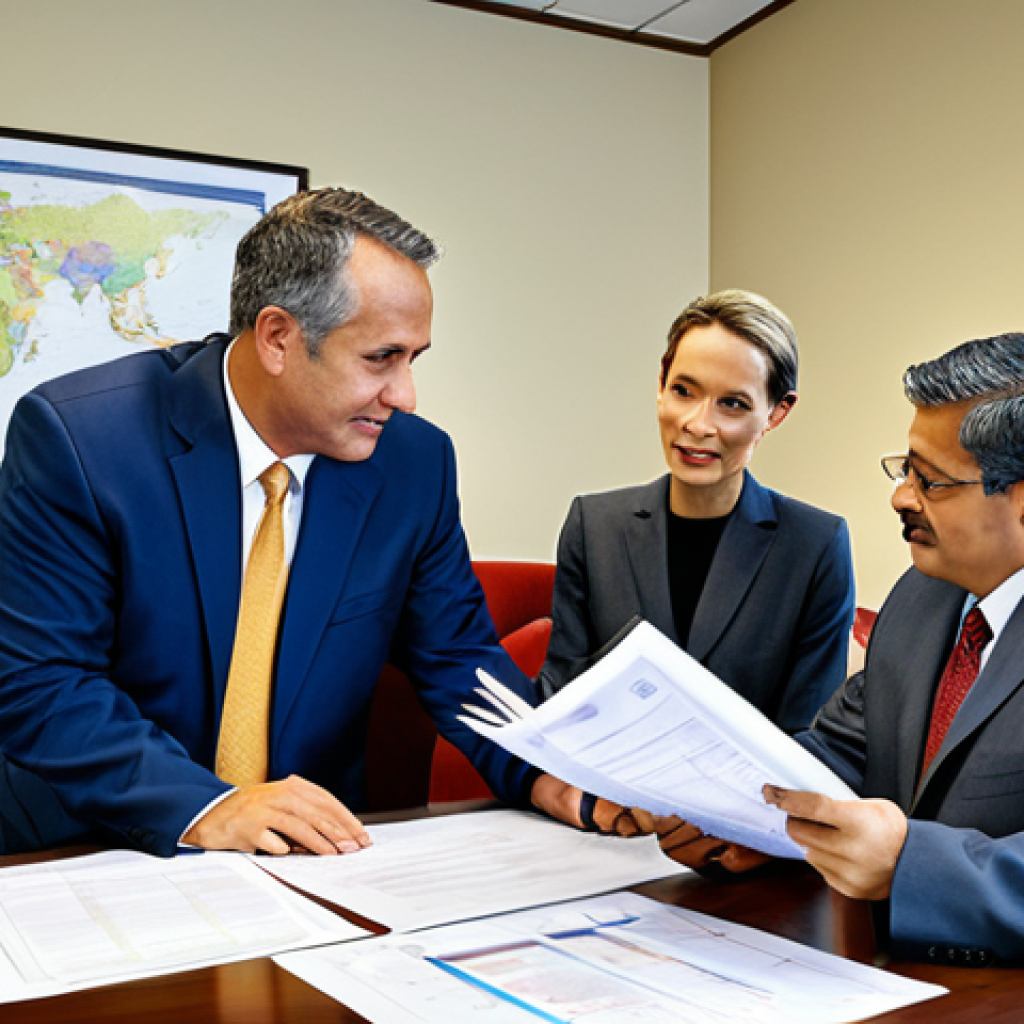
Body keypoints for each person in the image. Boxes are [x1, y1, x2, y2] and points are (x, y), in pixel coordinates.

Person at [0, 187, 586, 858]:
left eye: (413, 359)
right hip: (85, 847)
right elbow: (42, 681)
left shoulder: (414, 465)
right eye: (380, 358)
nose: (405, 396)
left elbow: (457, 659)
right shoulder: (81, 441)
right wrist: (208, 806)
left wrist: (550, 773)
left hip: (309, 862)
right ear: (279, 337)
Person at [678, 333, 1024, 964]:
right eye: (905, 469)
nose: (901, 497)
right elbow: (844, 748)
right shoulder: (923, 597)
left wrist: (908, 865)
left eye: (933, 481)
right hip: (872, 967)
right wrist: (739, 809)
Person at [538, 291, 855, 738]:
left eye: (733, 404)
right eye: (683, 391)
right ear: (661, 382)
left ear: (776, 413)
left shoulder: (816, 544)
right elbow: (564, 699)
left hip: (750, 803)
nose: (698, 425)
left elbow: (807, 735)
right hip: (612, 800)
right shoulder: (594, 525)